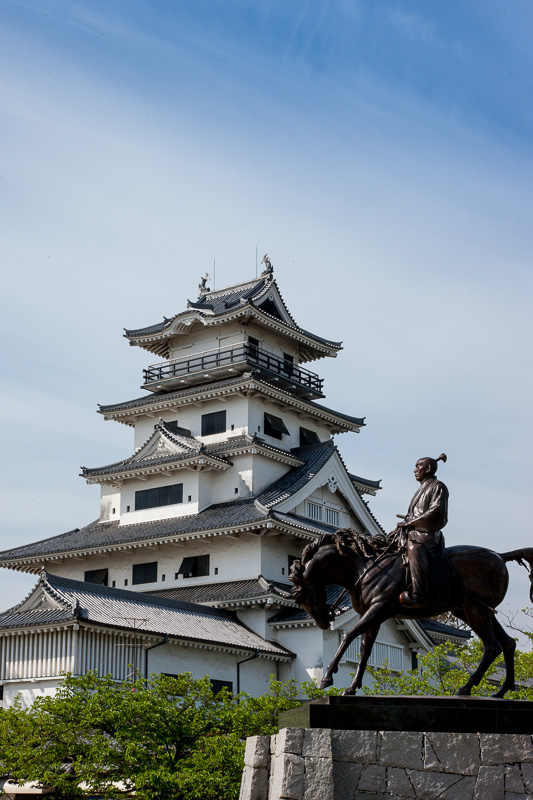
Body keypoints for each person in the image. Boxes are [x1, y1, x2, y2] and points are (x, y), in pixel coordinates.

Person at [396, 453, 449, 609]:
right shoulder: (422, 488)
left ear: (427, 468)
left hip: (428, 535)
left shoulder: (438, 487)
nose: (415, 470)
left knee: (414, 548)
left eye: (418, 466)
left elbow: (436, 511)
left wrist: (411, 522)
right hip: (414, 531)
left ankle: (419, 594)